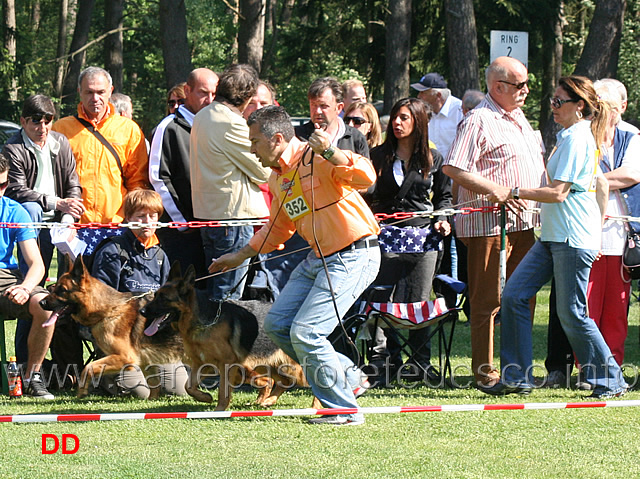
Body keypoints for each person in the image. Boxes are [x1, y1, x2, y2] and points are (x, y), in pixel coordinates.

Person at [210, 105, 380, 426]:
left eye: (255, 142)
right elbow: (277, 228)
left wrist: (331, 151)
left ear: (276, 139)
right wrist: (239, 256)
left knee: (307, 331)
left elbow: (366, 176)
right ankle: (349, 375)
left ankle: (343, 410)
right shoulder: (277, 180)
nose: (251, 149)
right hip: (318, 258)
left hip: (354, 253)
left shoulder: (317, 156)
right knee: (277, 325)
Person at [482, 75, 627, 399]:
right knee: (515, 296)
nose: (553, 107)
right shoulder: (571, 136)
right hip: (553, 236)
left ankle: (611, 380)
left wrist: (513, 191)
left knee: (572, 313)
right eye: (552, 101)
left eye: (559, 102)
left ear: (580, 107)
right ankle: (517, 377)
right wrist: (596, 224)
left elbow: (559, 193)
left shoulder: (578, 140)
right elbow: (600, 184)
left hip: (571, 240)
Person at [443, 56, 546, 388]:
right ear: (498, 86)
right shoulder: (478, 120)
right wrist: (494, 190)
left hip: (524, 223)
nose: (526, 91)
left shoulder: (518, 118)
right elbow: (454, 167)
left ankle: (518, 368)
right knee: (488, 302)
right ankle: (485, 373)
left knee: (522, 296)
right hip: (489, 225)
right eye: (520, 85)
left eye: (528, 83)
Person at [544, 80, 640, 388]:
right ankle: (589, 370)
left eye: (609, 106)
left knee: (615, 309)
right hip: (583, 231)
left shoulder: (631, 136)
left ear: (621, 108)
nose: (603, 111)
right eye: (597, 103)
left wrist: (590, 178)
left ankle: (612, 366)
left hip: (619, 236)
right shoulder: (581, 134)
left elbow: (632, 173)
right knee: (584, 305)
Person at [366, 98, 452, 384]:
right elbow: (366, 194)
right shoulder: (377, 156)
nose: (398, 123)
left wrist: (443, 219)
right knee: (381, 302)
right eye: (395, 117)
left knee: (418, 305)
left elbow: (443, 197)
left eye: (404, 118)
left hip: (423, 240)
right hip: (384, 236)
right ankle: (383, 362)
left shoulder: (433, 158)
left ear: (418, 122)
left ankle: (420, 364)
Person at [2, 94, 84, 365]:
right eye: (36, 120)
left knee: (67, 293)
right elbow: (15, 189)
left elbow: (73, 182)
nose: (43, 126)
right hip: (33, 222)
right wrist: (54, 202)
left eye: (48, 120)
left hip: (60, 223)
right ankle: (25, 362)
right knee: (35, 289)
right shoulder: (12, 149)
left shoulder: (61, 142)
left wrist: (69, 213)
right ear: (23, 121)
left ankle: (63, 366)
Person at [91, 189, 187, 398]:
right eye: (140, 216)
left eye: (152, 216)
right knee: (142, 394)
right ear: (128, 218)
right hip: (120, 337)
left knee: (178, 391)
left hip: (152, 338)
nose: (147, 222)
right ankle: (101, 378)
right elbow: (100, 305)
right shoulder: (112, 251)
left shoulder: (160, 254)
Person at [190, 63, 270, 300]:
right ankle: (219, 337)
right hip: (232, 220)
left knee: (216, 290)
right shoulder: (231, 122)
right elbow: (262, 169)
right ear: (246, 97)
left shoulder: (203, 115)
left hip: (211, 216)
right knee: (227, 296)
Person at [52, 66, 149, 224]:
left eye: (100, 92)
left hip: (117, 223)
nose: (95, 98)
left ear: (110, 91)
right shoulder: (61, 129)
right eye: (89, 92)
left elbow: (137, 180)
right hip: (74, 223)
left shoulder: (129, 129)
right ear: (79, 92)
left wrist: (132, 215)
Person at [149, 68, 218, 279]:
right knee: (186, 295)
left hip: (211, 228)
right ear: (187, 91)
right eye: (203, 93)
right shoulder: (168, 127)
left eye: (215, 94)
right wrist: (182, 222)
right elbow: (158, 177)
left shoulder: (216, 126)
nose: (209, 100)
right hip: (181, 232)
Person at [0, 153, 57, 399]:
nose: (0, 191)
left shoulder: (16, 212)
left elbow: (36, 264)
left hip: (6, 276)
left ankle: (32, 377)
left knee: (46, 304)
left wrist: (25, 287)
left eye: (2, 185)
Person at [295, 77, 369, 158]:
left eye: (324, 106)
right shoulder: (296, 136)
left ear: (339, 108)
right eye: (313, 105)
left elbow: (364, 169)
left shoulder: (356, 138)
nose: (317, 111)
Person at [411, 72, 463, 159]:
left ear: (438, 95)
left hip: (453, 168)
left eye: (423, 93)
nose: (418, 96)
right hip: (430, 168)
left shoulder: (460, 111)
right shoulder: (423, 112)